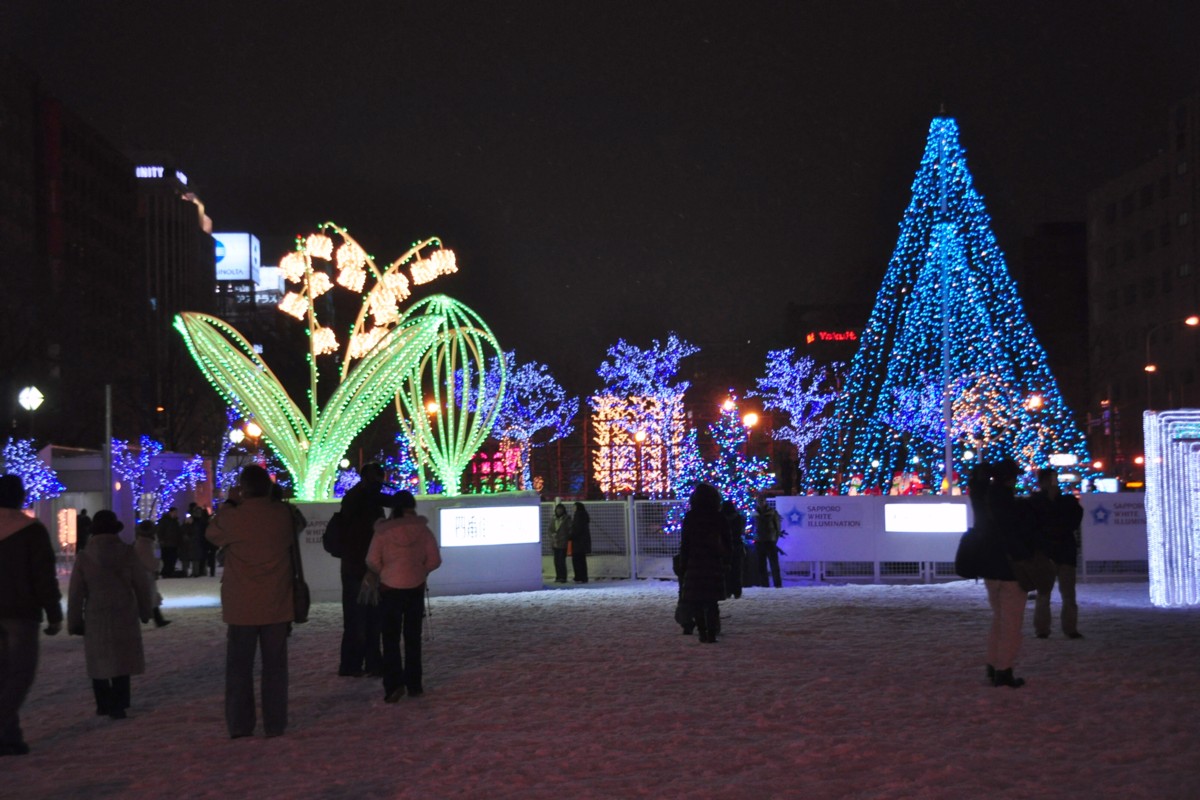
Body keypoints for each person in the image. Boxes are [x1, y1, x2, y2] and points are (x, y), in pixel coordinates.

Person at [206, 465, 297, 739]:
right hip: (277, 601)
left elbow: (212, 534)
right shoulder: (282, 514)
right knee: (275, 668)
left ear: (243, 488)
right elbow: (298, 527)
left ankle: (240, 724)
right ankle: (275, 723)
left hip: (241, 604)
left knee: (239, 669)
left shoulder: (234, 517)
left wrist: (232, 502)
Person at [67, 510, 155, 719]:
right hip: (124, 609)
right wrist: (145, 610)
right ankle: (120, 702)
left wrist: (75, 621)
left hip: (97, 611)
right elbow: (141, 585)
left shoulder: (85, 556)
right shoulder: (127, 552)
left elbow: (76, 592)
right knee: (122, 657)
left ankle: (103, 702)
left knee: (99, 658)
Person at [0, 475, 63, 756]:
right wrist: (53, 612)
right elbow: (43, 576)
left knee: (3, 675)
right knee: (20, 674)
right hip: (20, 611)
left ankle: (9, 737)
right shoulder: (31, 531)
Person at [365, 491, 442, 702]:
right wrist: (421, 570)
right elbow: (435, 560)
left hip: (390, 589)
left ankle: (393, 685)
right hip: (415, 588)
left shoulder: (382, 532)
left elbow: (372, 560)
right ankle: (414, 684)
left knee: (390, 639)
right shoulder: (423, 530)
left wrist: (384, 572)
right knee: (412, 638)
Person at [335, 463, 404, 678]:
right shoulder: (360, 499)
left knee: (367, 618)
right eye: (377, 479)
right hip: (359, 566)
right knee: (361, 619)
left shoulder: (363, 497)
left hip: (362, 566)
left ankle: (361, 662)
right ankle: (359, 663)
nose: (379, 483)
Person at [972, 459, 1035, 689]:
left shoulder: (983, 498)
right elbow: (1019, 533)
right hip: (1010, 568)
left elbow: (975, 484)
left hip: (989, 567)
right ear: (1010, 478)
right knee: (1011, 623)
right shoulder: (1008, 502)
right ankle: (1003, 670)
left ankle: (993, 664)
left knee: (998, 619)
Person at [1029, 467, 1085, 640]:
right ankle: (1045, 629)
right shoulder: (1038, 501)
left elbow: (1074, 519)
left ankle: (1064, 628)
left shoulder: (1063, 501)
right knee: (1047, 593)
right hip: (1051, 551)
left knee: (1065, 593)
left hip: (1057, 551)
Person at [678, 483, 730, 643]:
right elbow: (728, 541)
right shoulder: (718, 516)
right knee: (711, 601)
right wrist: (727, 559)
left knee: (697, 601)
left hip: (695, 561)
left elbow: (685, 543)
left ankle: (702, 631)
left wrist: (683, 562)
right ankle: (712, 632)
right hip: (713, 561)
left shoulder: (690, 517)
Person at [132, 521, 171, 628]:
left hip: (143, 574)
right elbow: (149, 561)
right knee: (149, 596)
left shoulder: (143, 543)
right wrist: (156, 566)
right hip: (145, 575)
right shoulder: (145, 545)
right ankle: (154, 618)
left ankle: (156, 619)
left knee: (149, 596)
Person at [753, 497, 783, 588]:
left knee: (774, 564)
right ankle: (764, 585)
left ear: (765, 502)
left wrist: (775, 538)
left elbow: (777, 527)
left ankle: (777, 584)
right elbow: (753, 526)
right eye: (759, 501)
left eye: (762, 501)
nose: (761, 503)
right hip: (759, 541)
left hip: (770, 541)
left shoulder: (772, 512)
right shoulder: (754, 513)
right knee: (761, 565)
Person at [720, 500, 746, 599]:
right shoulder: (739, 518)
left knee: (726, 570)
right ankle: (737, 591)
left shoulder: (721, 518)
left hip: (725, 546)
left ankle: (727, 590)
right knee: (737, 569)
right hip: (737, 545)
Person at [547, 502, 571, 584]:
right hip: (555, 543)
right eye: (557, 510)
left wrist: (562, 537)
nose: (559, 511)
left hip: (563, 543)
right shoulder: (554, 519)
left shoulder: (567, 519)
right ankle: (558, 576)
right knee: (556, 561)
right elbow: (550, 529)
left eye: (560, 510)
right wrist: (552, 535)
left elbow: (568, 531)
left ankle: (563, 577)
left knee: (561, 560)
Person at [188, 502, 212, 577]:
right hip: (199, 541)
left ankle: (198, 571)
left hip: (199, 541)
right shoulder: (201, 521)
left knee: (198, 557)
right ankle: (199, 571)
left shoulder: (197, 522)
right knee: (199, 557)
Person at [156, 507, 182, 578]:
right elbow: (160, 531)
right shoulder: (165, 521)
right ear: (171, 512)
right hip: (166, 544)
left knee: (172, 559)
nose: (176, 514)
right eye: (175, 512)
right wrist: (161, 540)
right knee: (167, 559)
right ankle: (166, 572)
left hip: (173, 543)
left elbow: (178, 532)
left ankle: (168, 572)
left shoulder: (175, 521)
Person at [569, 502, 591, 583]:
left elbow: (577, 529)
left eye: (574, 506)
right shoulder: (584, 515)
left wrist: (570, 536)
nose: (573, 508)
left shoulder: (578, 515)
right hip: (583, 542)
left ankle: (579, 576)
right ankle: (583, 576)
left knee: (577, 560)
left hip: (578, 542)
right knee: (582, 560)